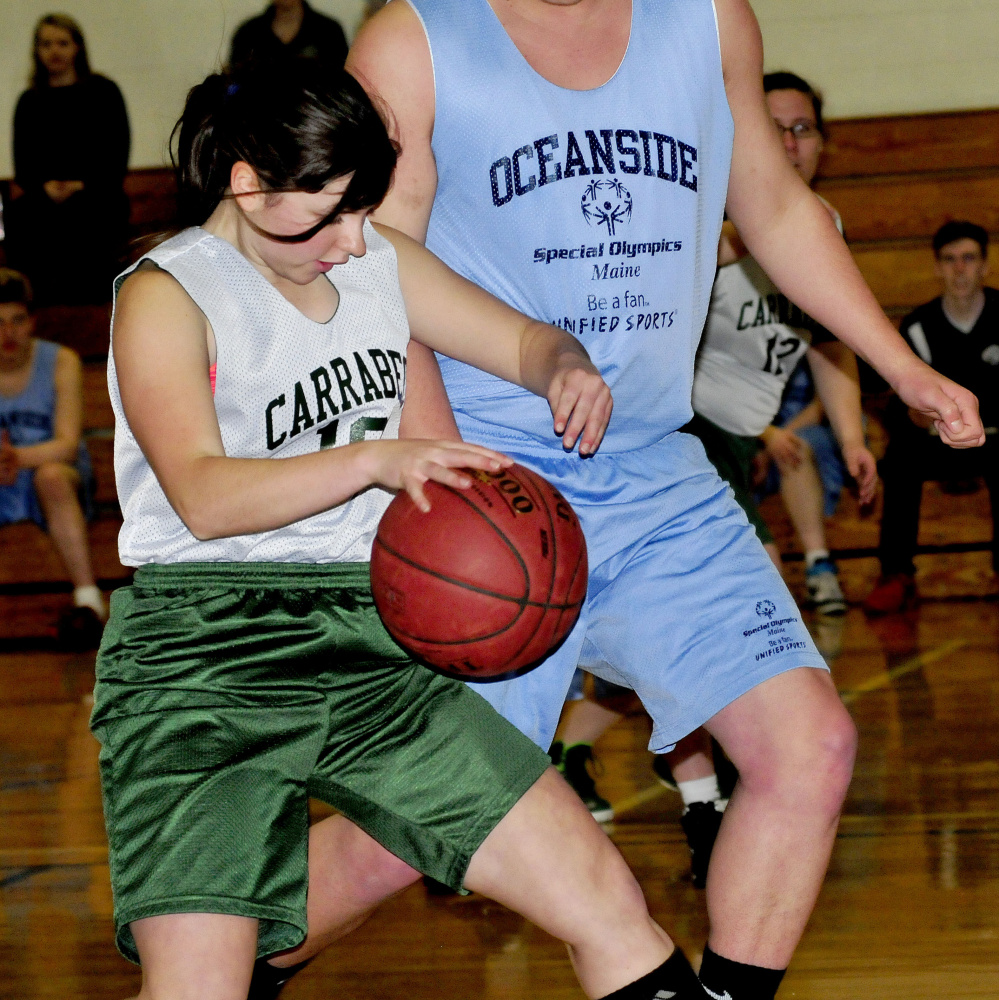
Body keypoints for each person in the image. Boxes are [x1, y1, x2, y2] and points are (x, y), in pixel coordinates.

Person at [340, 3, 984, 999]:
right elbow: (377, 260)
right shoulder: (414, 41)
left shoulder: (708, 18)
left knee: (809, 746)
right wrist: (439, 472)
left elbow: (773, 205)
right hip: (493, 473)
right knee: (408, 835)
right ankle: (231, 952)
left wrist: (901, 370)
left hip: (650, 463)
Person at [91, 61, 714, 1000]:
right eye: (329, 214)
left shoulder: (376, 260)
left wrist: (564, 368)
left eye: (362, 210)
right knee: (202, 990)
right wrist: (377, 460)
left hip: (372, 637)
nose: (351, 240)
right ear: (248, 184)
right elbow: (205, 497)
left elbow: (522, 339)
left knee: (605, 902)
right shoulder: (166, 294)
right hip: (203, 655)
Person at [690, 71, 878, 614]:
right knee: (765, 596)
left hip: (744, 432)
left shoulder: (824, 225)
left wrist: (850, 440)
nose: (791, 144)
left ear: (824, 143)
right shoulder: (709, 217)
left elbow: (830, 343)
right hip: (689, 431)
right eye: (774, 129)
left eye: (803, 128)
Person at [864, 220, 999, 614]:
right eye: (950, 260)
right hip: (936, 442)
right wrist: (914, 415)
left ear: (985, 266)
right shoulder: (919, 326)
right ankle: (896, 575)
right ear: (937, 267)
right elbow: (904, 397)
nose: (960, 269)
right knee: (901, 456)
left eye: (969, 259)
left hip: (994, 439)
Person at [0, 267, 106, 645]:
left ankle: (89, 601)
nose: (7, 333)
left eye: (17, 320)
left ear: (32, 321)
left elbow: (66, 443)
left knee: (51, 475)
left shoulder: (62, 361)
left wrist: (14, 459)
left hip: (59, 477)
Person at [6, 14, 130, 306]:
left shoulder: (103, 92)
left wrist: (81, 184)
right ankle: (36, 310)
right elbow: (22, 165)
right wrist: (46, 187)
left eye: (62, 43)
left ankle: (95, 306)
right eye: (46, 44)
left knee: (91, 215)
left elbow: (117, 153)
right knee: (19, 216)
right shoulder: (29, 101)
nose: (55, 51)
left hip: (96, 192)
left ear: (77, 48)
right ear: (36, 51)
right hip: (44, 195)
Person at [229, 0, 348, 71]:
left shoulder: (329, 31)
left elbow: (342, 85)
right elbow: (234, 85)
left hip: (314, 111)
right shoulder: (248, 33)